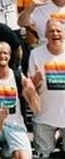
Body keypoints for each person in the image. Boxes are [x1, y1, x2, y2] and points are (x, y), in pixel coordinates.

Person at [27, 19, 65, 157]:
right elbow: (29, 88)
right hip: (43, 117)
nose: (55, 34)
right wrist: (35, 81)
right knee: (43, 155)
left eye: (58, 31)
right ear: (45, 34)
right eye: (51, 31)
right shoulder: (36, 54)